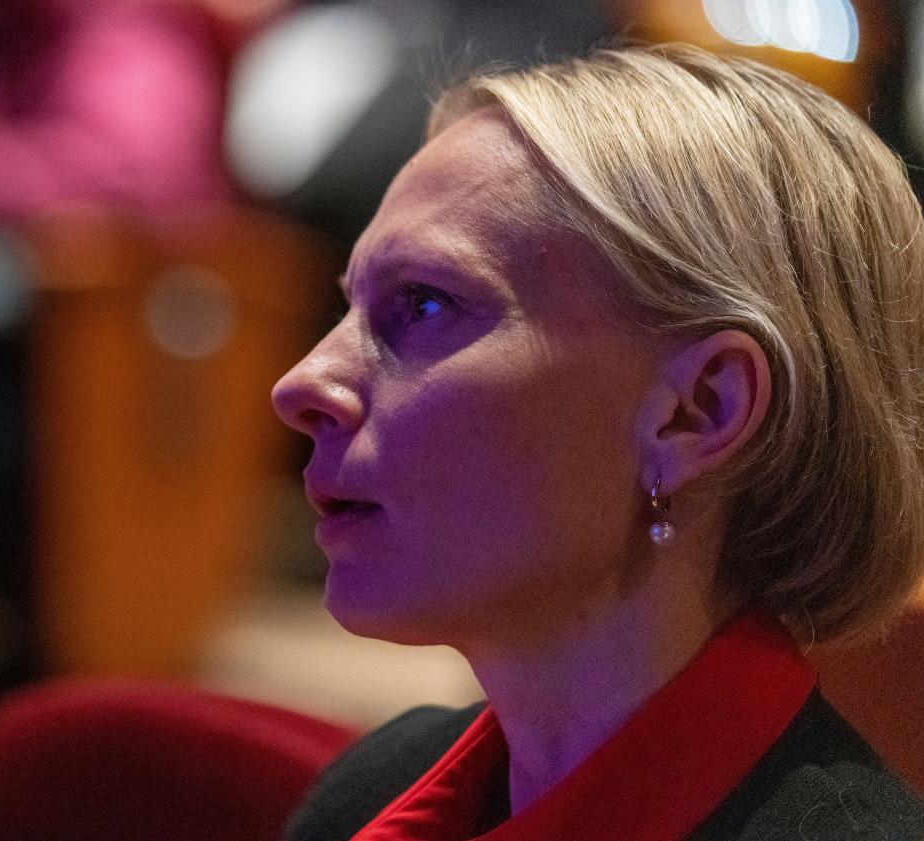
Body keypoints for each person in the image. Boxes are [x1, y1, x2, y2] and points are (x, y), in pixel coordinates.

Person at [271, 42, 924, 840]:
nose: (302, 382)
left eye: (425, 306)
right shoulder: (371, 787)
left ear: (699, 411)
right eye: (350, 308)